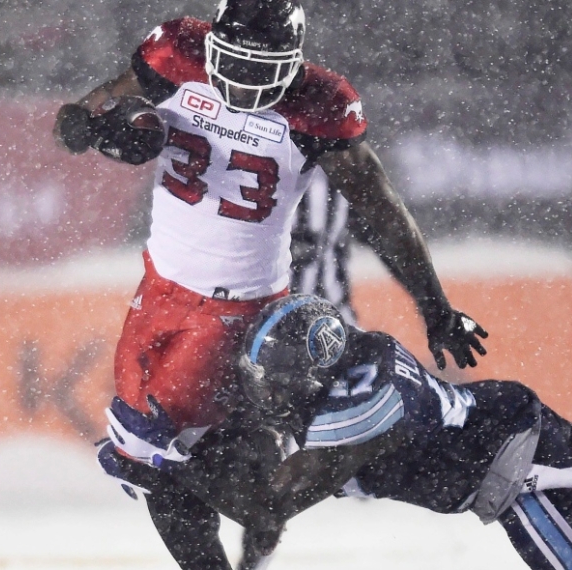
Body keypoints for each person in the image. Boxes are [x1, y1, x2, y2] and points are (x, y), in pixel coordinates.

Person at [99, 277, 572, 570]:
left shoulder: (358, 408)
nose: (261, 391)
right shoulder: (357, 358)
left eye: (272, 379)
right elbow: (266, 469)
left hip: (521, 481)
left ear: (306, 373)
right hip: (520, 427)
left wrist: (155, 467)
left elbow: (269, 504)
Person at [52, 0, 487, 442]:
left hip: (237, 303)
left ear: (292, 64)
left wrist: (437, 310)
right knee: (150, 455)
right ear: (211, 45)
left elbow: (384, 215)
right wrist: (89, 129)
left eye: (259, 69)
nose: (242, 83)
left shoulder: (319, 106)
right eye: (235, 62)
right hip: (157, 285)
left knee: (149, 447)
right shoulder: (176, 52)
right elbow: (83, 116)